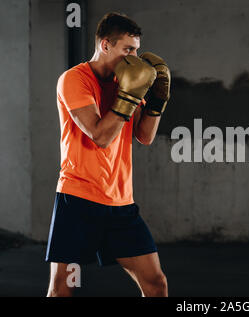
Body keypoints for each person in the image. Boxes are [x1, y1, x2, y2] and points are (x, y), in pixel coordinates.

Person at [45, 12, 171, 297]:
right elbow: (100, 135)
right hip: (79, 199)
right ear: (105, 45)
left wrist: (158, 100)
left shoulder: (127, 80)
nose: (134, 58)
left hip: (120, 202)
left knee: (156, 283)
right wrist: (127, 96)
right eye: (128, 50)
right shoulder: (74, 80)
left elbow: (145, 136)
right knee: (63, 286)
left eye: (136, 50)